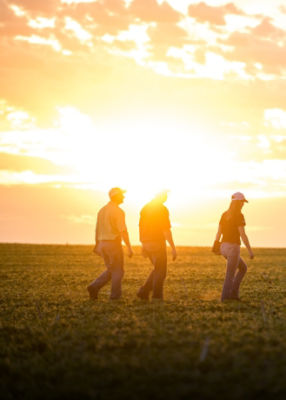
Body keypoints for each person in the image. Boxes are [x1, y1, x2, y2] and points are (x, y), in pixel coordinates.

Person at [87, 187, 133, 300]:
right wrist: (129, 247)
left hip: (102, 244)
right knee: (118, 271)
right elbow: (123, 231)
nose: (124, 197)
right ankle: (115, 297)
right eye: (122, 195)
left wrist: (97, 245)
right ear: (116, 196)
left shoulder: (102, 210)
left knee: (112, 269)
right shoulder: (118, 211)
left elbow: (97, 230)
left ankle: (94, 287)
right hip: (113, 244)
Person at [213, 192, 254, 302]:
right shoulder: (239, 215)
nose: (243, 204)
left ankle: (233, 294)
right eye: (242, 202)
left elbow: (219, 232)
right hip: (233, 248)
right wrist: (250, 251)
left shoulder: (224, 214)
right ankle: (225, 298)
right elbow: (243, 235)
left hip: (223, 247)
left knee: (243, 268)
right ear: (238, 202)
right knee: (229, 275)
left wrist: (216, 244)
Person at [137, 191, 177, 300]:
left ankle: (144, 292)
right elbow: (166, 230)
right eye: (165, 196)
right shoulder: (162, 209)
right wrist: (173, 247)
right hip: (157, 242)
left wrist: (143, 243)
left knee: (157, 268)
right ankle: (157, 296)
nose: (166, 198)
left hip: (146, 242)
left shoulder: (145, 208)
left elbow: (140, 227)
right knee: (161, 271)